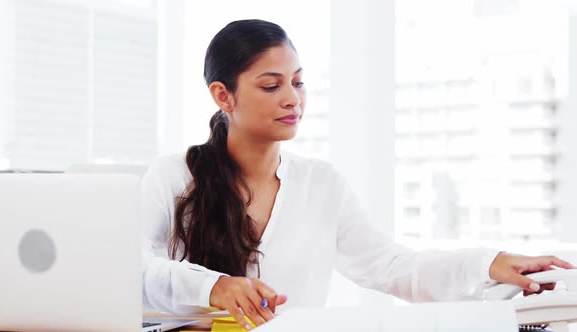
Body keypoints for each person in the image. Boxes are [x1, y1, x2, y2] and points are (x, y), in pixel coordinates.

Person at [141, 19, 574, 330]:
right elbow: (136, 271)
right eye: (271, 86)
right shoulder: (174, 177)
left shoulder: (321, 184)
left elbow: (391, 267)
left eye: (299, 82)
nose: (293, 99)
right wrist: (213, 288)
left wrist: (489, 263)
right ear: (223, 95)